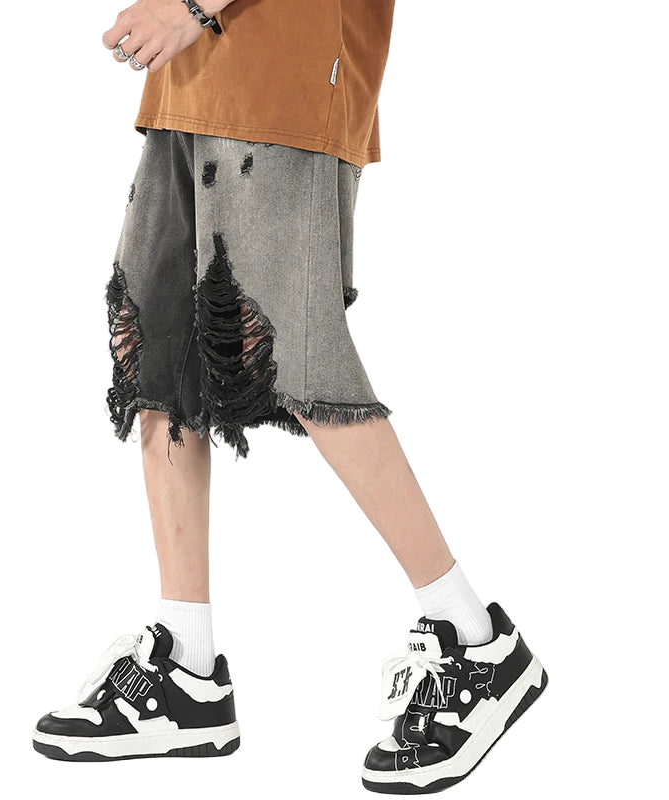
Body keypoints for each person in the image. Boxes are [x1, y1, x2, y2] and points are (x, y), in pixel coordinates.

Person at [31, 1, 549, 791]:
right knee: (156, 355)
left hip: (286, 75)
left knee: (300, 361)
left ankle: (477, 642)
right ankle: (186, 665)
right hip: (189, 79)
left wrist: (193, 4)